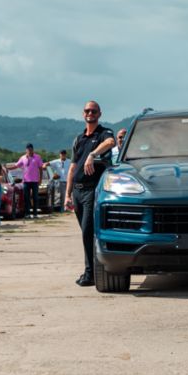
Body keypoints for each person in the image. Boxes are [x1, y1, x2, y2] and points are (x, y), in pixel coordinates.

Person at [69, 102, 118, 287]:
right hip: (77, 191)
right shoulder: (79, 138)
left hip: (91, 191)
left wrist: (92, 154)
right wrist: (67, 193)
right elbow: (73, 166)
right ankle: (91, 270)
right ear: (83, 114)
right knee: (85, 233)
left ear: (99, 113)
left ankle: (90, 273)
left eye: (93, 111)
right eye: (87, 111)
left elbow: (110, 142)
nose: (90, 113)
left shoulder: (104, 133)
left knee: (88, 232)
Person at [16, 144, 46, 217]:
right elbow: (16, 165)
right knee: (26, 198)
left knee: (35, 197)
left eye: (30, 149)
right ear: (26, 150)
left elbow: (41, 169)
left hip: (35, 181)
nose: (29, 151)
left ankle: (35, 213)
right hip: (26, 181)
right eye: (28, 149)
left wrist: (40, 179)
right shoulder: (23, 158)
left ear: (33, 149)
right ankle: (27, 213)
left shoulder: (37, 157)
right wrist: (6, 168)